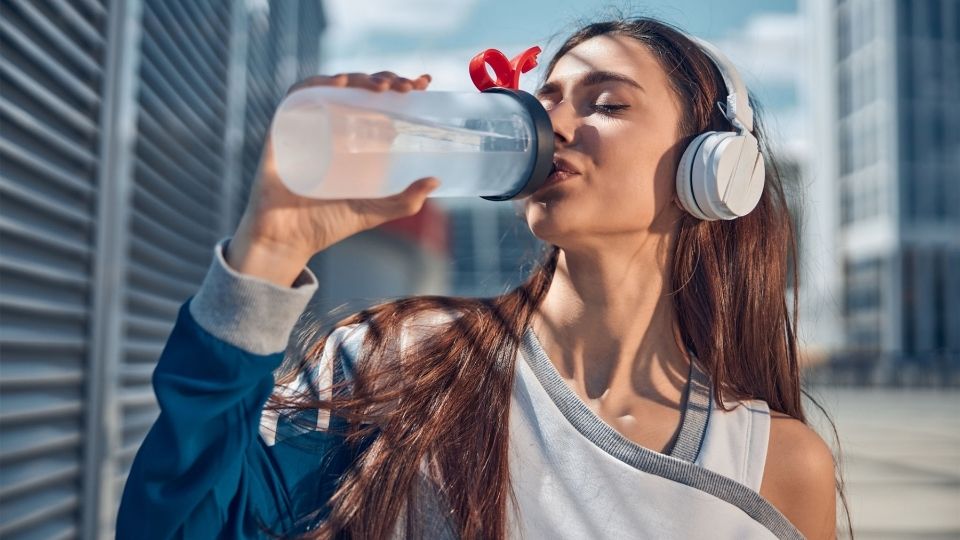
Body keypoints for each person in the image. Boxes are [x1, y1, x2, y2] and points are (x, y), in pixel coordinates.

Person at [116, 16, 847, 540]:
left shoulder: (773, 465)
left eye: (606, 102)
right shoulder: (393, 362)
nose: (552, 125)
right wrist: (269, 249)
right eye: (546, 99)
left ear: (713, 171)